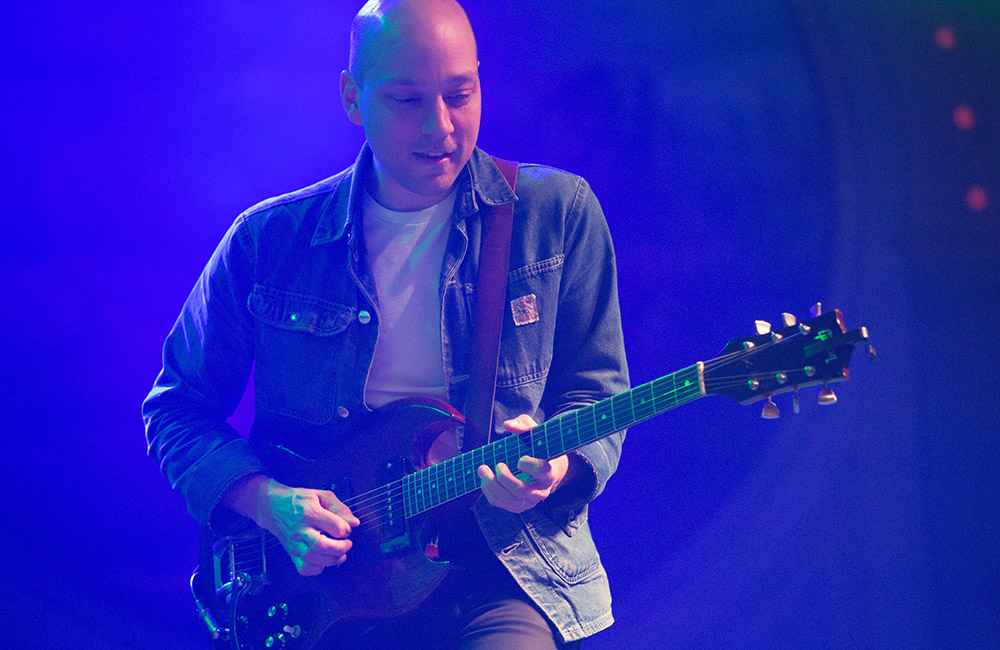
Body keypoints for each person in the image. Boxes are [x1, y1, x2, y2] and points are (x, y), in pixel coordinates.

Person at [142, 1, 629, 648]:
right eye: (406, 100)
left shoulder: (556, 213)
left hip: (499, 568)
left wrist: (557, 466)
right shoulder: (268, 242)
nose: (442, 126)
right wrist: (271, 504)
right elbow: (176, 408)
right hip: (327, 588)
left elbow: (599, 392)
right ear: (352, 97)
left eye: (461, 94)